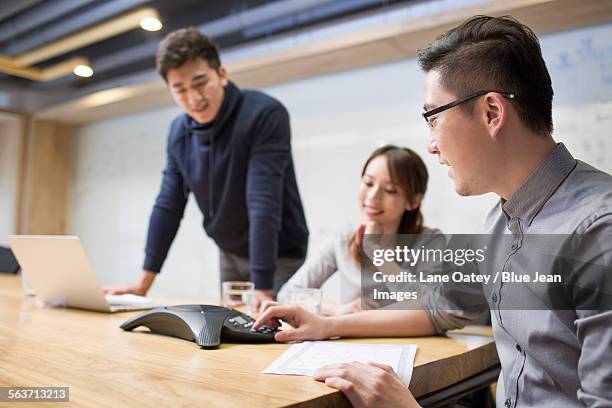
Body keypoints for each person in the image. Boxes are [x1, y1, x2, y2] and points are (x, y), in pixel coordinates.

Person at [255, 15, 612, 407]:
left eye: (433, 118)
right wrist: (327, 325)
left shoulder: (599, 232)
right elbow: (438, 307)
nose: (431, 145)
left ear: (492, 113)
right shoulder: (498, 222)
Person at [105, 27, 309, 308]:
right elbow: (168, 204)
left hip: (278, 254)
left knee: (268, 330)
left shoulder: (264, 114)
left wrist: (262, 288)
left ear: (222, 74)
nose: (193, 98)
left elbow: (263, 201)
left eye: (200, 83)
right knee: (230, 330)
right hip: (229, 250)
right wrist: (143, 283)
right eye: (180, 89)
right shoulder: (179, 133)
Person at [275, 145, 441, 315]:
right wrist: (336, 309)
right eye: (368, 183)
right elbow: (287, 294)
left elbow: (431, 305)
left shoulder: (429, 241)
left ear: (413, 201)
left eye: (390, 190)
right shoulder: (344, 239)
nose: (373, 196)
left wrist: (376, 252)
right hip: (354, 339)